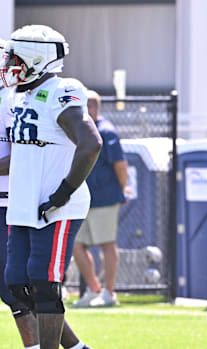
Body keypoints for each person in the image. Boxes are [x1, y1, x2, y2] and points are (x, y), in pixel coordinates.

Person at [1, 25, 102, 349]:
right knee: (16, 283)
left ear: (34, 59)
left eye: (14, 58)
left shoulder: (63, 89)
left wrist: (63, 192)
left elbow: (90, 144)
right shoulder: (24, 94)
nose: (8, 65)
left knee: (44, 283)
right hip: (25, 203)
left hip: (55, 205)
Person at [72, 90, 128, 308]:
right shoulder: (78, 130)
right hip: (80, 199)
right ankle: (94, 290)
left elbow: (120, 166)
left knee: (107, 244)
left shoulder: (107, 131)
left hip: (105, 198)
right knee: (77, 246)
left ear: (93, 108)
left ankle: (109, 293)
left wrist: (121, 191)